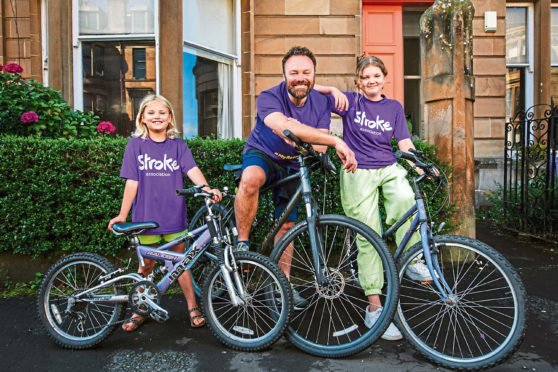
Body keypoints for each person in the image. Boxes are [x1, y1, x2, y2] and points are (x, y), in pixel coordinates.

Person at [314, 56, 433, 341]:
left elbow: (404, 143)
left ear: (384, 77)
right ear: (358, 80)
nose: (371, 81)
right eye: (366, 77)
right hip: (357, 171)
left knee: (406, 198)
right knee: (368, 237)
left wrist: (420, 166)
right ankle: (374, 308)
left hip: (388, 167)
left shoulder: (393, 107)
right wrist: (332, 90)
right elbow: (308, 91)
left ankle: (414, 259)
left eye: (376, 75)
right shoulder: (350, 101)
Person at [233, 46, 357, 307]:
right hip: (263, 152)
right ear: (284, 75)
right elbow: (284, 126)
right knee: (251, 178)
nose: (300, 77)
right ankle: (242, 243)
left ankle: (283, 284)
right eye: (294, 72)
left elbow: (320, 147)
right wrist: (333, 140)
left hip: (294, 163)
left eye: (306, 72)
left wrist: (329, 94)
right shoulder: (268, 96)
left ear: (314, 75)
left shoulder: (322, 101)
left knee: (287, 225)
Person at [108, 94, 222, 332]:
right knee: (146, 266)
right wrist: (122, 215)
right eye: (151, 113)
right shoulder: (135, 145)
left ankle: (193, 308)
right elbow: (131, 182)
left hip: (174, 216)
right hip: (145, 218)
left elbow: (192, 170)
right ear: (142, 118)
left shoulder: (178, 146)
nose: (157, 117)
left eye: (162, 113)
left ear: (170, 118)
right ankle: (140, 310)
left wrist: (208, 189)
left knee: (180, 265)